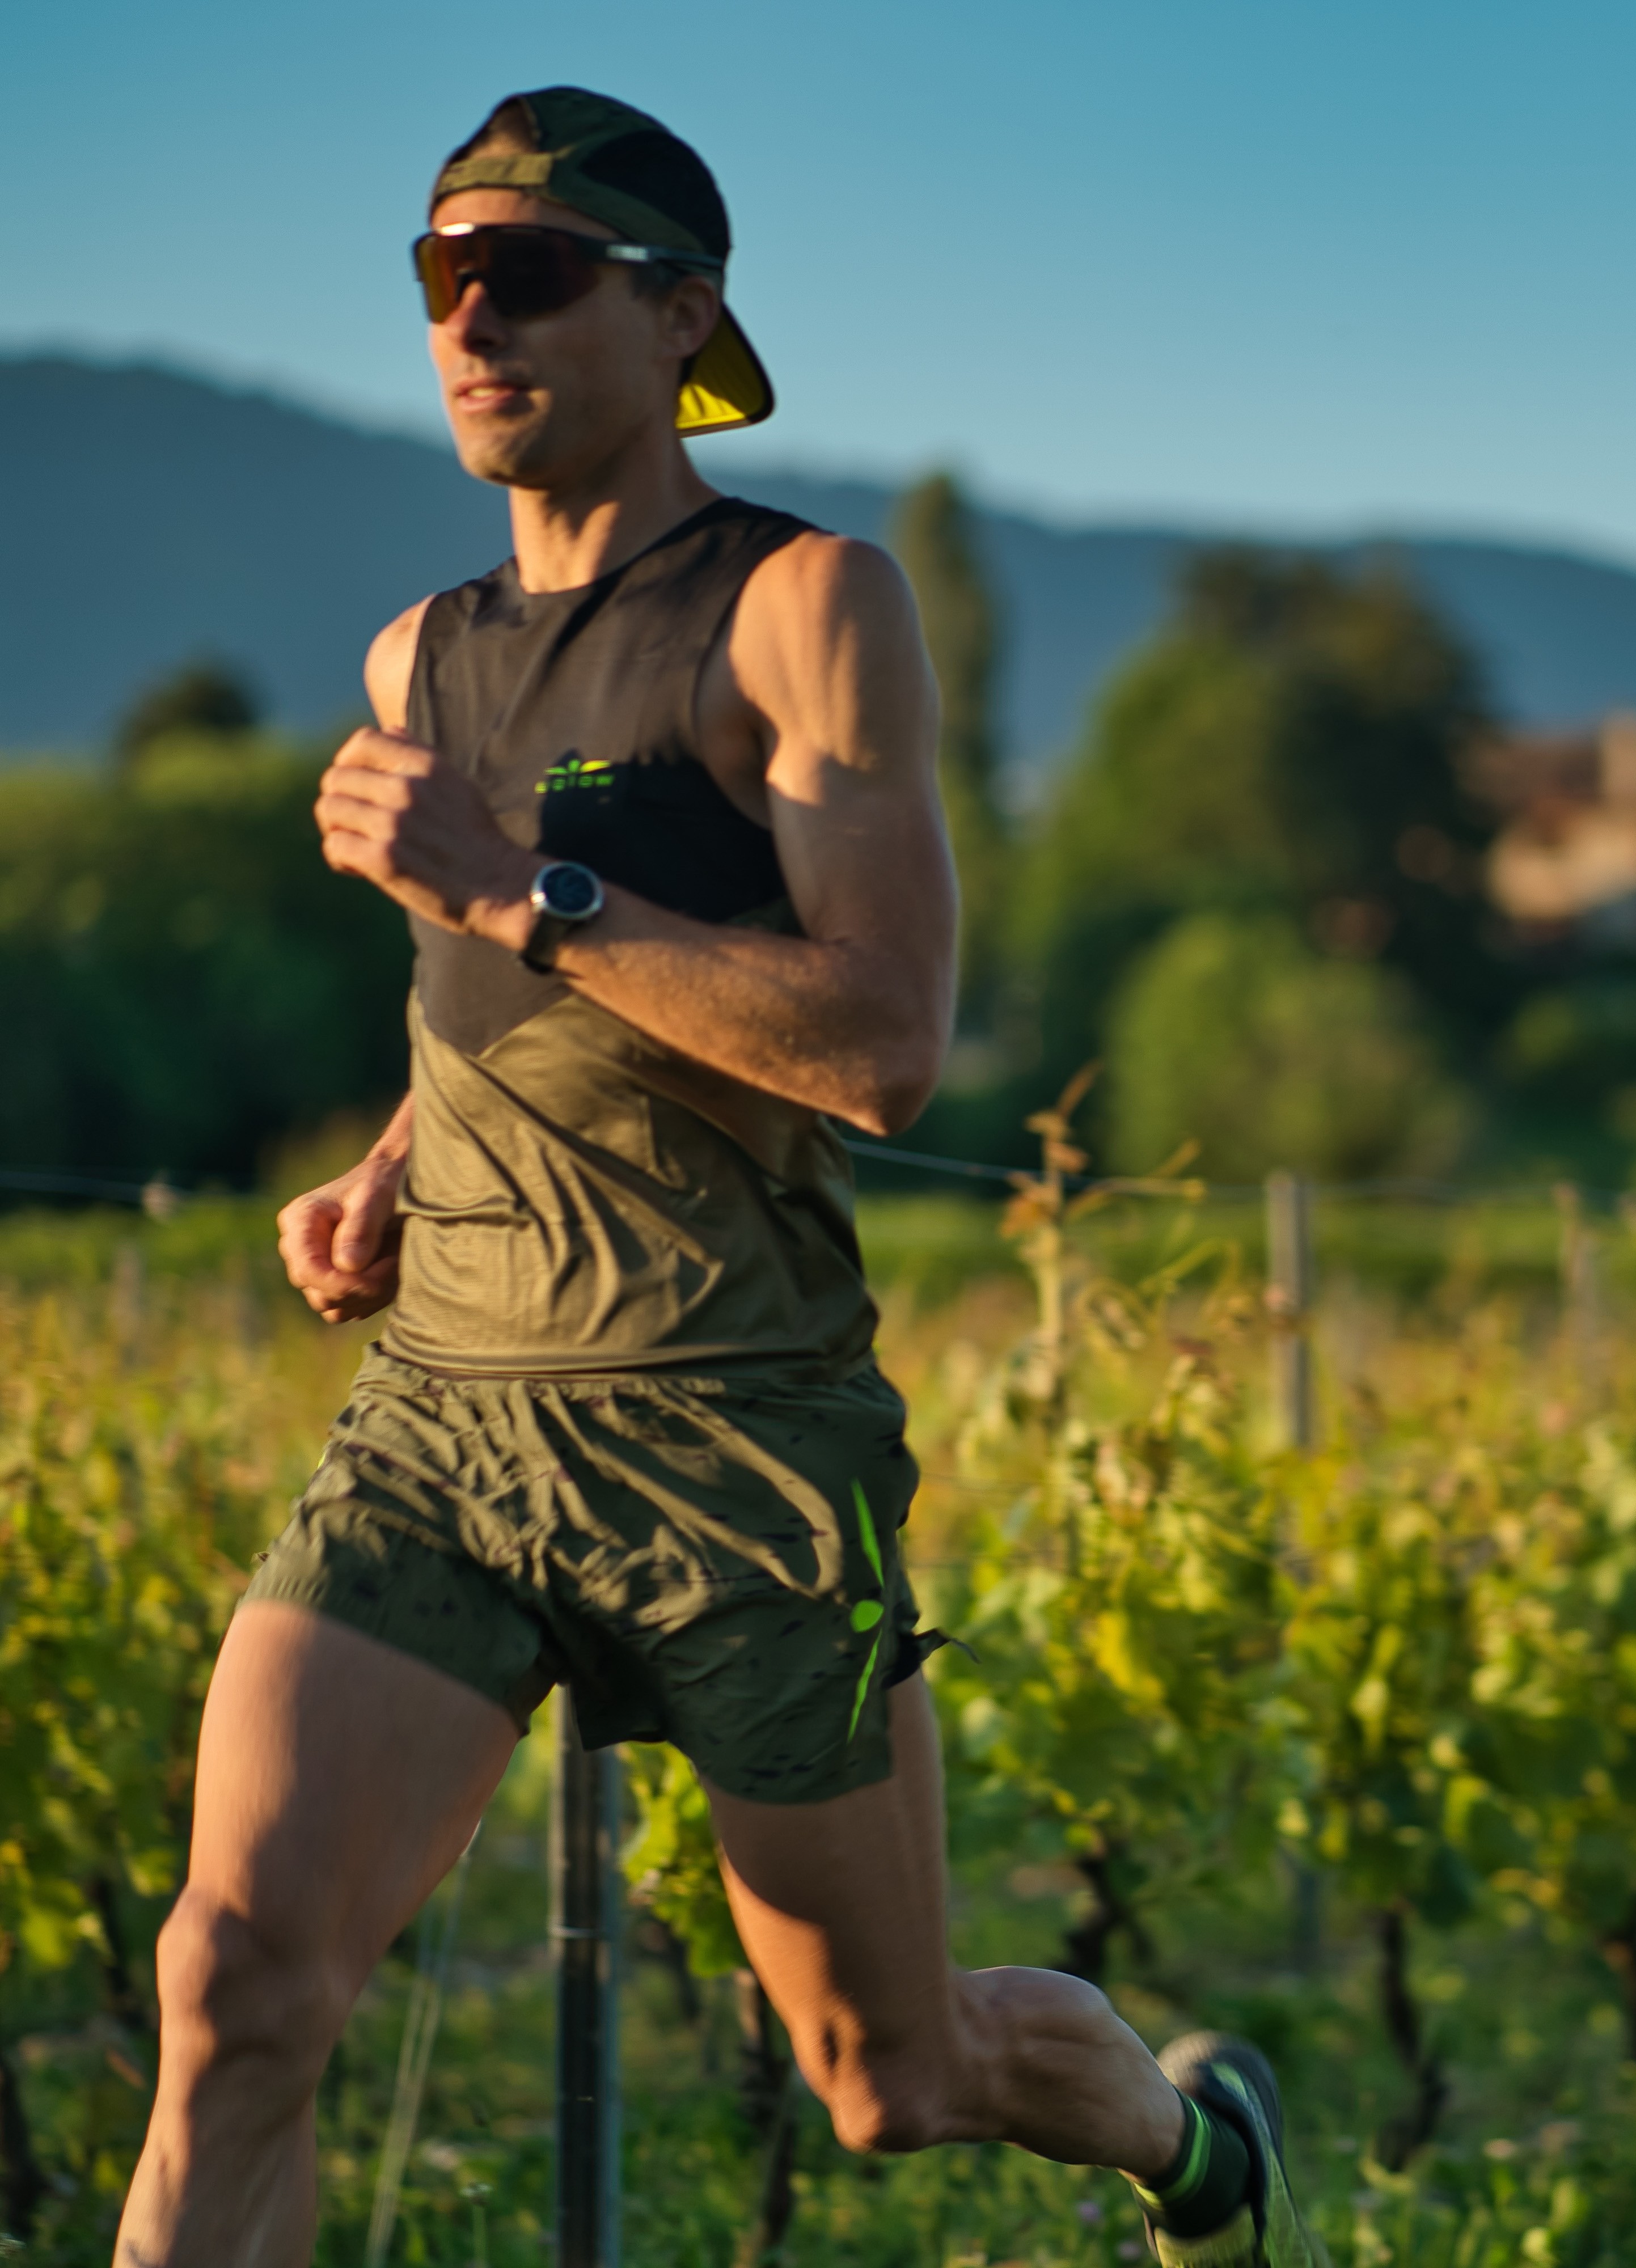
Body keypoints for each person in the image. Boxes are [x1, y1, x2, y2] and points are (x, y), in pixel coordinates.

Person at [117, 87, 1317, 2268]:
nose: (471, 321)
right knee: (234, 1990)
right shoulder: (418, 653)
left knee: (893, 2078)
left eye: (528, 272)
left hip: (733, 1431)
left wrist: (520, 884)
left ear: (682, 317)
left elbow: (881, 1043)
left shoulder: (803, 605)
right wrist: (391, 1164)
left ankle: (1189, 2142)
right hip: (447, 1420)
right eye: (439, 276)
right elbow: (481, 999)